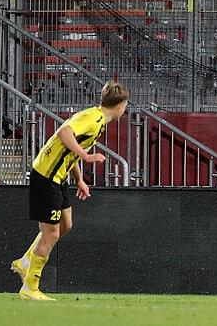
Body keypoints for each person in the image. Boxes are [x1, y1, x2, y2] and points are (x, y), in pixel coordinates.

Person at [10, 81, 129, 301]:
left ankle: (25, 262)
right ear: (121, 106)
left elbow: (70, 147)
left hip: (59, 176)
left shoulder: (96, 118)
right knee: (51, 233)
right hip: (46, 175)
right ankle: (30, 287)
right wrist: (87, 157)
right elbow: (65, 133)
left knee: (65, 224)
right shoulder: (93, 119)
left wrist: (80, 179)